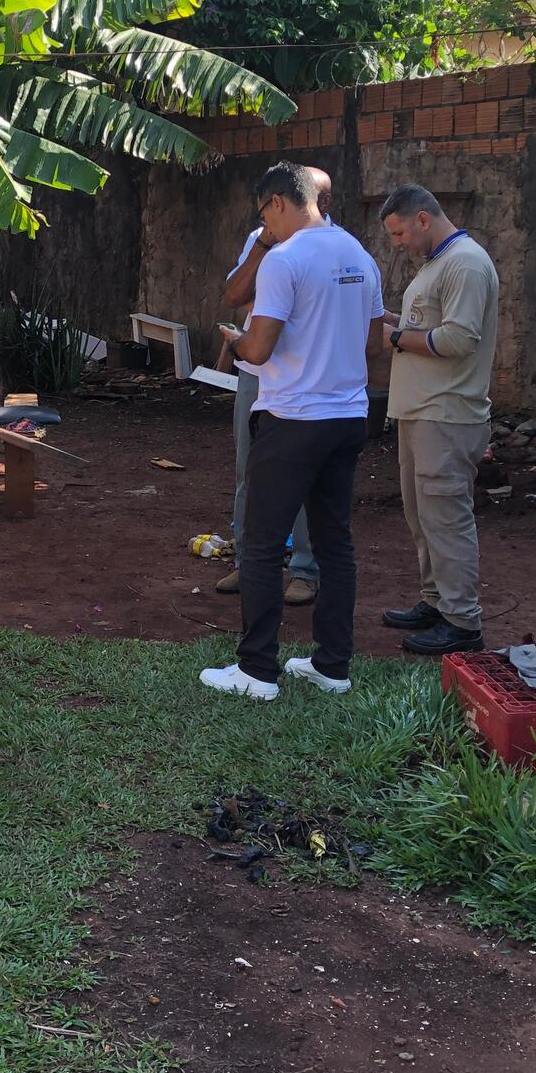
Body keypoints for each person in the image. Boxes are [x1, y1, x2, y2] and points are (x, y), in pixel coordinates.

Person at [202, 163, 386, 701]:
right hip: (349, 417)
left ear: (278, 202)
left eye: (264, 214)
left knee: (260, 545)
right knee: (336, 543)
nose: (265, 226)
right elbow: (372, 344)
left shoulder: (284, 260)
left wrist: (232, 341)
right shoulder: (360, 254)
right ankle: (333, 665)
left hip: (292, 419)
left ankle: (257, 671)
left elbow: (258, 349)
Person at [378, 185, 500, 657]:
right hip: (421, 413)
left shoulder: (465, 263)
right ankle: (437, 601)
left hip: (447, 415)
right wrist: (384, 320)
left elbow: (457, 340)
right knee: (421, 514)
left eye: (400, 232)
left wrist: (394, 338)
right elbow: (423, 327)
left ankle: (462, 622)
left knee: (446, 518)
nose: (398, 243)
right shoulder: (437, 263)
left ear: (424, 219)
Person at [218, 169, 334, 607]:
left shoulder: (336, 245)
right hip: (256, 375)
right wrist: (265, 243)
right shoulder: (262, 241)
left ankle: (305, 569)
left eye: (325, 198)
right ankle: (250, 562)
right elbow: (234, 296)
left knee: (302, 478)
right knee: (250, 471)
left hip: (305, 381)